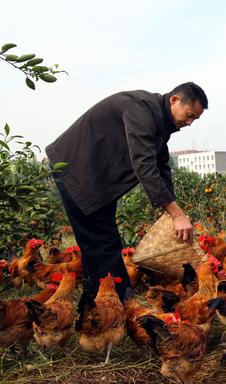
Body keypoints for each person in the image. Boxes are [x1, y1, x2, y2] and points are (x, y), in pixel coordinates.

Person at [45, 82, 208, 303]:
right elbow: (144, 165)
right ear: (174, 100)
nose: (189, 123)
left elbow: (161, 165)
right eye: (189, 115)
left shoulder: (159, 121)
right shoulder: (141, 110)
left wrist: (172, 211)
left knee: (101, 238)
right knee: (100, 239)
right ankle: (118, 301)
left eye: (194, 119)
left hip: (96, 176)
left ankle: (99, 297)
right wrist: (177, 215)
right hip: (75, 169)